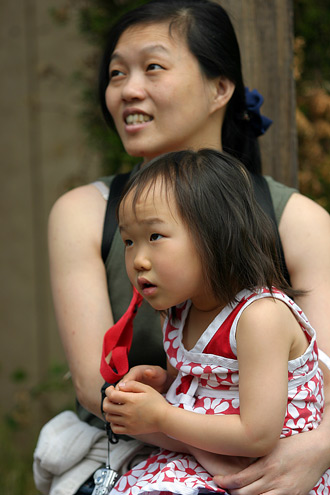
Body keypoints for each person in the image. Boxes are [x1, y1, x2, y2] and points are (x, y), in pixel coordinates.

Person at [34, 0, 330, 494]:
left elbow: (325, 369)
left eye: (153, 67)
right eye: (115, 73)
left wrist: (317, 450)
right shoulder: (84, 212)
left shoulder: (297, 219)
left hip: (281, 454)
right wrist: (186, 426)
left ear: (220, 88)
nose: (128, 89)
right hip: (136, 449)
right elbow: (98, 387)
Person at [102, 148, 329, 495]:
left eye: (154, 237)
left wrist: (160, 415)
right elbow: (198, 391)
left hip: (269, 475)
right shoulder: (180, 312)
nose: (138, 260)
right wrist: (162, 385)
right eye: (129, 242)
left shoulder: (259, 317)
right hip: (208, 459)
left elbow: (257, 435)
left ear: (214, 234)